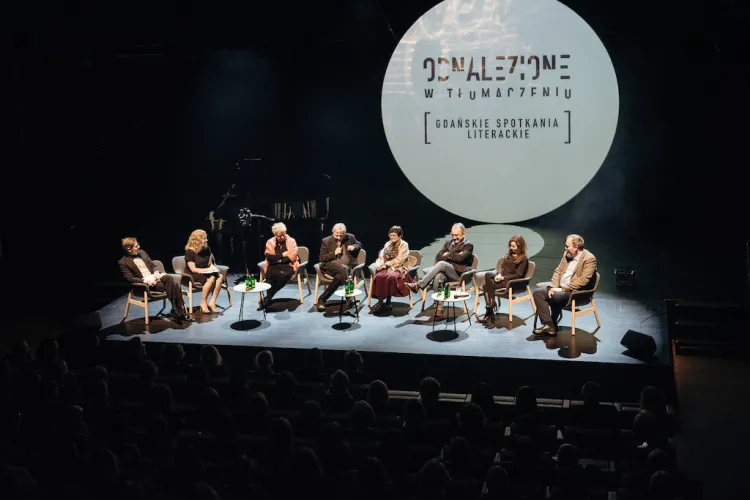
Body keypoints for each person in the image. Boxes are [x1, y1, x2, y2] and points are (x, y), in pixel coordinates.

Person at [532, 234, 597, 336]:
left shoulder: (589, 258)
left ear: (576, 247)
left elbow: (583, 280)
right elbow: (558, 271)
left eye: (567, 246)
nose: (565, 248)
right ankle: (549, 325)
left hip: (574, 292)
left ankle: (552, 322)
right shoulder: (567, 254)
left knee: (555, 296)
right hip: (559, 288)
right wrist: (553, 287)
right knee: (537, 293)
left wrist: (561, 289)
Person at [406, 223, 474, 318]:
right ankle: (439, 307)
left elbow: (460, 258)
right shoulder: (448, 242)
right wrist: (451, 256)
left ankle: (419, 285)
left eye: (457, 235)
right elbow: (439, 256)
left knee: (442, 264)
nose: (454, 237)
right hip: (447, 272)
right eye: (452, 235)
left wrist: (448, 255)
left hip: (459, 274)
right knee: (438, 276)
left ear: (463, 234)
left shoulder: (468, 245)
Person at [118, 237, 193, 322]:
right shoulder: (123, 262)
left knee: (169, 278)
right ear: (129, 249)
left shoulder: (142, 253)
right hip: (145, 285)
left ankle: (176, 309)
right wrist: (145, 281)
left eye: (138, 244)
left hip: (155, 277)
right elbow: (130, 278)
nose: (138, 247)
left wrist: (156, 272)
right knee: (173, 285)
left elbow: (153, 265)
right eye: (136, 246)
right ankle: (179, 311)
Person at [479, 235, 529, 323]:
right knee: (488, 275)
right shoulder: (508, 255)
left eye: (514, 246)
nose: (511, 248)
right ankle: (491, 303)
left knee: (485, 287)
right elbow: (502, 268)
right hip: (502, 279)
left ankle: (489, 310)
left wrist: (503, 277)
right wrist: (499, 275)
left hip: (511, 282)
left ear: (520, 246)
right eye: (510, 245)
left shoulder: (523, 259)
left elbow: (518, 275)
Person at [317, 223, 362, 311]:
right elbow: (322, 257)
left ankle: (322, 299)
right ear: (332, 232)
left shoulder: (350, 237)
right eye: (336, 235)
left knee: (339, 277)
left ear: (344, 234)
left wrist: (354, 246)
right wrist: (334, 253)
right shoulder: (326, 241)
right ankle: (349, 298)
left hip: (348, 267)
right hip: (331, 266)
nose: (339, 237)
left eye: (341, 236)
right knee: (344, 269)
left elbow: (359, 245)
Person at [370, 225, 412, 313]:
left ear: (400, 236)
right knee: (379, 277)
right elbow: (381, 256)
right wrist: (380, 264)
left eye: (394, 235)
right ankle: (381, 304)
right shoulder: (388, 244)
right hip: (386, 267)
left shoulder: (404, 244)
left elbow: (400, 259)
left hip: (399, 267)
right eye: (390, 235)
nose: (392, 237)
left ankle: (388, 301)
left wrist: (387, 264)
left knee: (391, 277)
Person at [261, 222, 300, 310]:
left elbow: (292, 257)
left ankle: (268, 297)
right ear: (275, 235)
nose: (282, 237)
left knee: (282, 275)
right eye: (279, 236)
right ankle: (268, 298)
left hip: (288, 265)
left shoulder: (291, 241)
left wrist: (277, 259)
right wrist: (282, 255)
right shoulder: (270, 242)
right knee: (270, 273)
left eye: (283, 235)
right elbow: (269, 257)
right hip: (274, 265)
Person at [184, 229, 224, 314]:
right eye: (204, 238)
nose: (206, 240)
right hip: (193, 274)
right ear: (197, 240)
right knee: (212, 278)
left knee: (220, 277)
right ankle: (203, 302)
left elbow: (209, 264)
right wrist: (207, 270)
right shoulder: (189, 252)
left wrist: (212, 268)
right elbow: (193, 269)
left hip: (206, 272)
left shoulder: (206, 249)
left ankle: (212, 301)